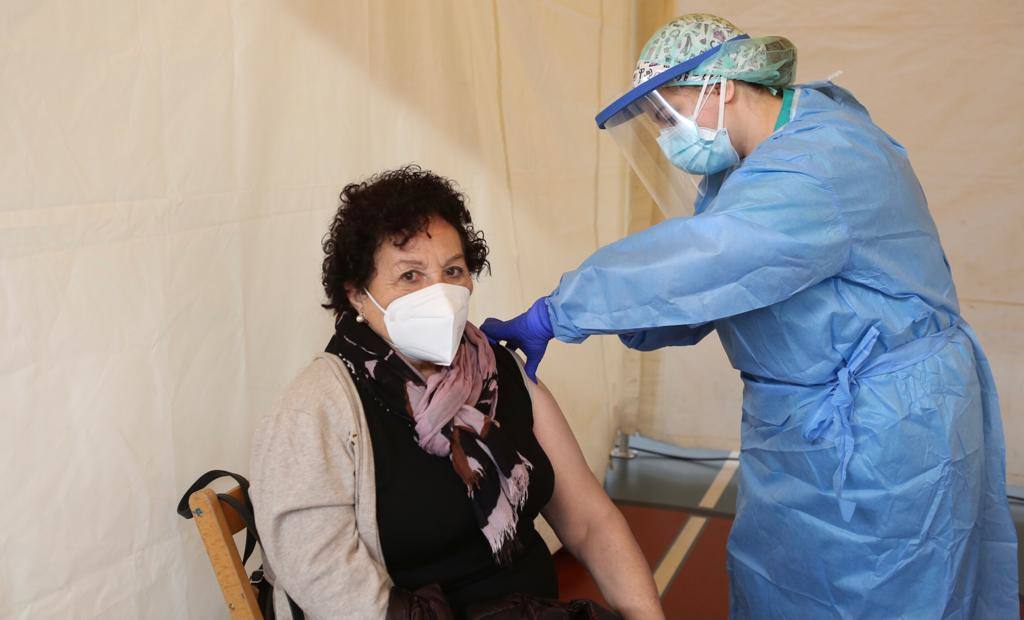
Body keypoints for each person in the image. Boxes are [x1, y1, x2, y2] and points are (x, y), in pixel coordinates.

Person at [481, 13, 1019, 619]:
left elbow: (707, 259)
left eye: (667, 111)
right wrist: (603, 317)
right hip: (801, 427)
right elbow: (701, 297)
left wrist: (561, 310)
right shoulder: (747, 171)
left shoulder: (820, 160)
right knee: (785, 588)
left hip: (882, 429)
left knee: (886, 591)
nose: (665, 133)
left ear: (724, 85)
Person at [249, 166, 664, 619]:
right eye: (410, 276)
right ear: (357, 296)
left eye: (453, 270)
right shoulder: (317, 409)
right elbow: (326, 582)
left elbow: (590, 523)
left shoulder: (499, 369)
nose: (439, 292)